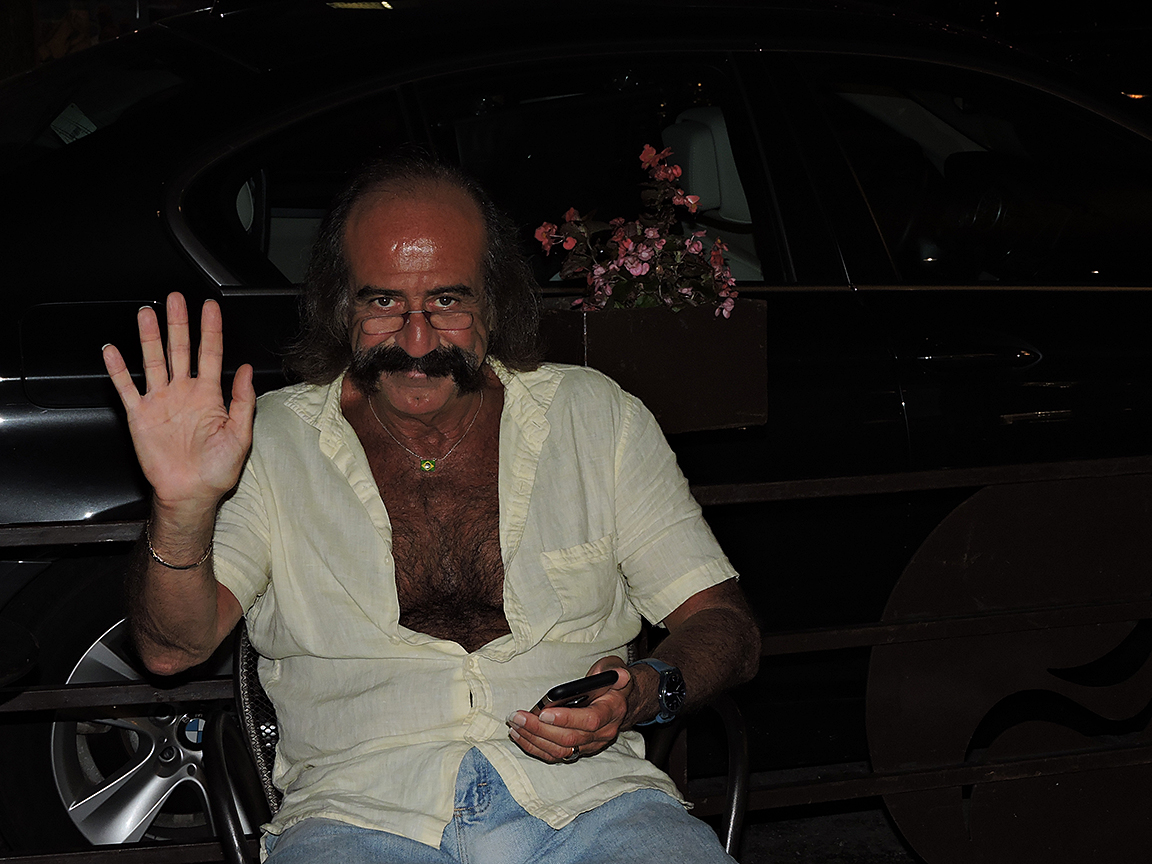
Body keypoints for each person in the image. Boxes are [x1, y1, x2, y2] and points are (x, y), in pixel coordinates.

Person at [102, 153, 760, 863]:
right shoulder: (270, 441)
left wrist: (645, 691)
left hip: (596, 802)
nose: (417, 343)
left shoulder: (595, 418)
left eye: (447, 302)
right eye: (383, 303)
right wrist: (182, 510)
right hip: (359, 816)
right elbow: (172, 648)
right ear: (340, 305)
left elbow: (724, 624)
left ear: (495, 302)